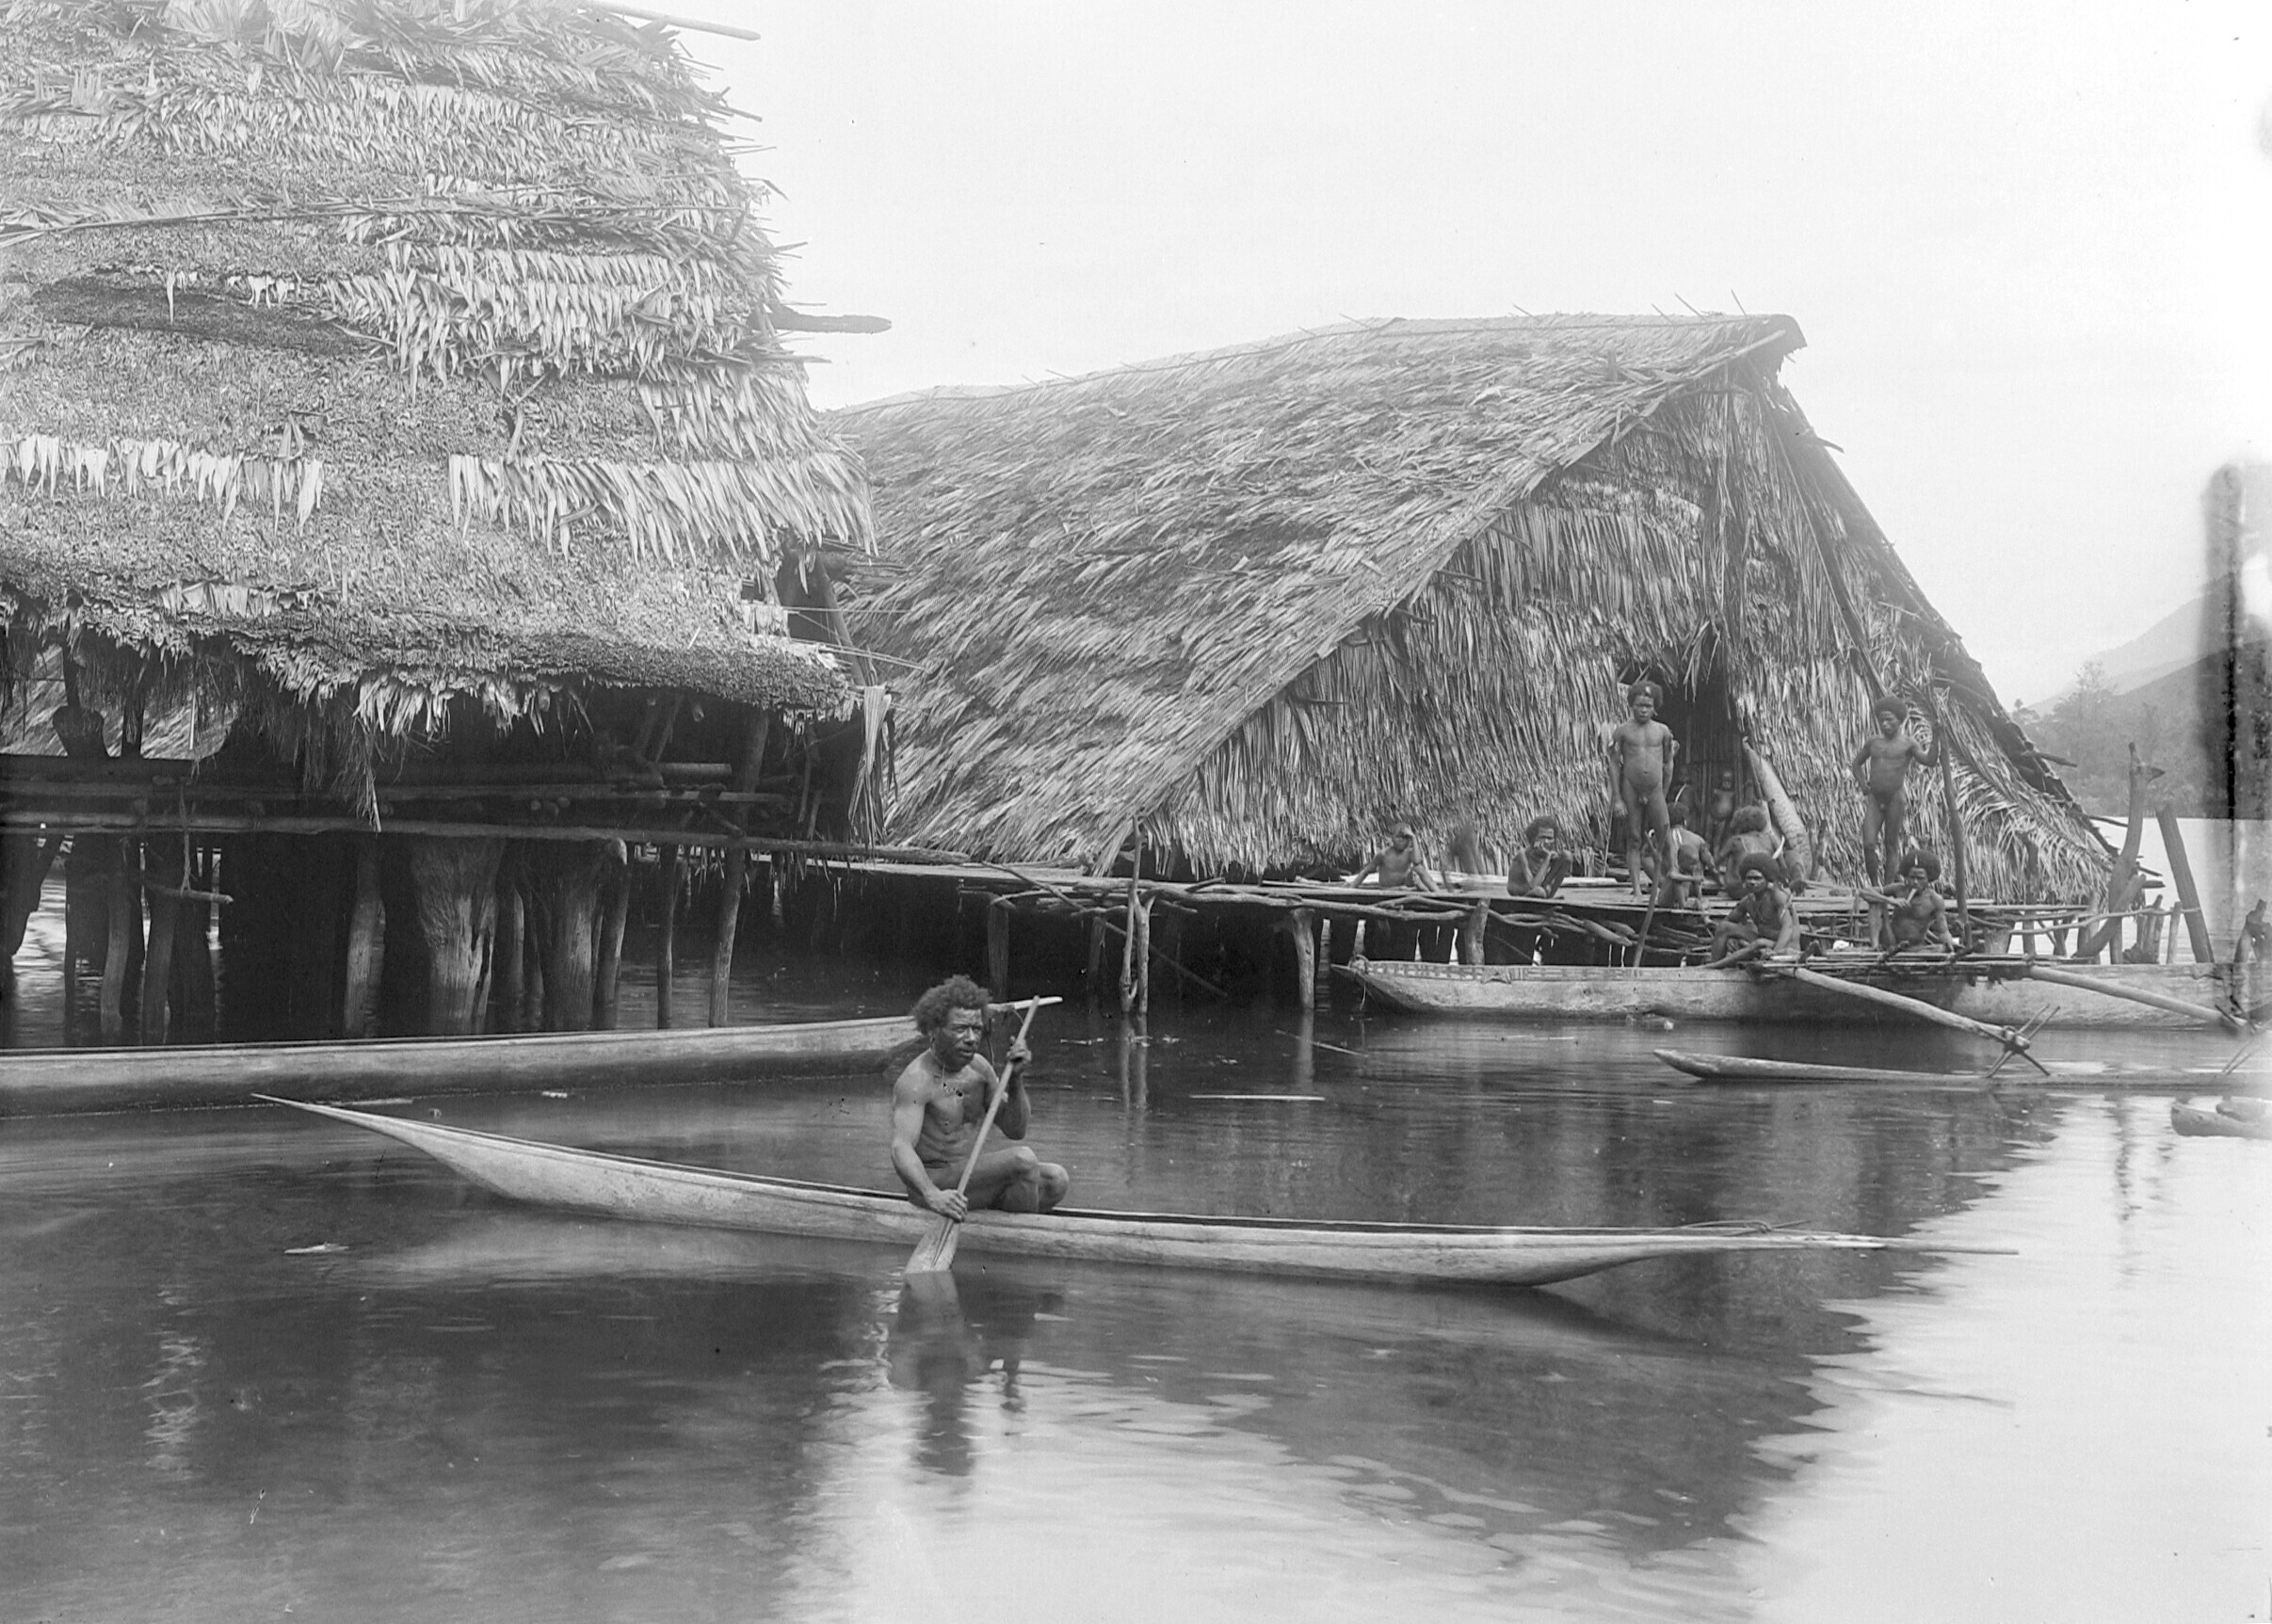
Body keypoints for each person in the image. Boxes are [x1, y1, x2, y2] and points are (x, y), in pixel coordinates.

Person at [890, 976, 1069, 1219]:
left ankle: (1001, 1225)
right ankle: (1017, 1232)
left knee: (1056, 1180)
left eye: (976, 1029)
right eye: (960, 1029)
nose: (972, 1038)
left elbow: (1016, 1130)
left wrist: (1016, 1080)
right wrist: (933, 1195)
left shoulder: (980, 1069)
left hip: (971, 1181)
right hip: (934, 1186)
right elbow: (901, 1147)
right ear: (933, 1030)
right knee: (1023, 1160)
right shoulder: (916, 1080)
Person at [1852, 696, 1936, 886]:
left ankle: (1888, 886)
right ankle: (1874, 885)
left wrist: (1937, 737)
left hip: (1895, 799)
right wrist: (1863, 785)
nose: (1885, 724)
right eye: (1882, 720)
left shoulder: (1908, 744)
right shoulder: (1873, 742)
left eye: (1889, 719)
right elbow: (1856, 764)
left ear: (1900, 720)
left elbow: (1930, 761)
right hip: (1875, 798)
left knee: (1891, 845)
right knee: (1868, 844)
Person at [1607, 682, 1678, 899]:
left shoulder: (1662, 731)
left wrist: (1663, 793)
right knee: (1634, 838)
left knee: (1665, 835)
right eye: (1639, 705)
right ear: (1631, 705)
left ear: (1655, 706)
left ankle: (1673, 875)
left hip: (1655, 788)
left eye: (1648, 706)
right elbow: (1612, 763)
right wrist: (1617, 799)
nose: (1643, 710)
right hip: (1631, 786)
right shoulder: (1622, 731)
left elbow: (1668, 764)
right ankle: (1637, 890)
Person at [1704, 852, 1800, 965]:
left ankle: (1715, 966)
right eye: (1749, 878)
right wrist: (1729, 938)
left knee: (1760, 942)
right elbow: (1727, 922)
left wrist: (1775, 954)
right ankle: (1715, 965)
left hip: (1786, 946)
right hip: (1763, 940)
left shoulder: (1777, 897)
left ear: (1767, 880)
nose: (1752, 882)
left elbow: (1788, 928)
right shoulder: (1748, 900)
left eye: (1757, 878)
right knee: (1724, 928)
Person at [1861, 849, 1955, 953]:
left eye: (1920, 878)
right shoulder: (1899, 889)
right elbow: (1865, 893)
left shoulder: (1935, 900)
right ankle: (1875, 947)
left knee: (1939, 949)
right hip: (1890, 941)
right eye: (1912, 877)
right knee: (1875, 903)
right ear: (1906, 877)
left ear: (1929, 879)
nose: (1915, 882)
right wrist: (1891, 901)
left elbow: (1943, 931)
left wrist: (1950, 945)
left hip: (1915, 947)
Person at [1656, 803, 1714, 908]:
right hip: (1669, 891)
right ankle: (1686, 906)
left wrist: (1658, 878)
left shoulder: (1658, 839)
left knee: (1703, 901)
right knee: (1678, 881)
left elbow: (1644, 857)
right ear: (1685, 820)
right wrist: (1719, 879)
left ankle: (1701, 911)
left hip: (1676, 884)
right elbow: (1711, 864)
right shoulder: (1697, 839)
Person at [1353, 821, 1438, 889]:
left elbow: (1417, 861)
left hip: (1404, 887)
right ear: (1392, 838)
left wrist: (1413, 837)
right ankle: (1419, 890)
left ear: (1409, 840)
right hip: (1388, 889)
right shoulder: (1383, 854)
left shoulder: (1409, 853)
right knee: (1417, 885)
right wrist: (1350, 889)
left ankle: (1437, 893)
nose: (1401, 840)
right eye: (1398, 837)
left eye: (1405, 837)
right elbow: (1365, 872)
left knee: (1419, 868)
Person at [1713, 804, 1779, 891]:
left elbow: (1715, 862)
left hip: (1739, 889)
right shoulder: (1771, 840)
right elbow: (1783, 866)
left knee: (1731, 856)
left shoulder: (1736, 841)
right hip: (1763, 888)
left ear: (1739, 823)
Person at [1506, 814, 1573, 898]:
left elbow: (1566, 860)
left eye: (1549, 838)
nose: (1546, 841)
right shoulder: (1523, 855)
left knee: (1567, 856)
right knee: (1539, 891)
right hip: (1521, 890)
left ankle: (1550, 897)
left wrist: (1554, 860)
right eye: (1542, 837)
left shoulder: (1546, 854)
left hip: (1536, 888)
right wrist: (1547, 859)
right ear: (1534, 838)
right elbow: (1532, 886)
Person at [1703, 768, 1740, 854]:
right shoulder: (1716, 792)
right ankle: (1706, 855)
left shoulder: (1733, 794)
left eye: (1729, 782)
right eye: (1724, 781)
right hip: (1711, 817)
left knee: (1717, 839)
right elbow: (1710, 803)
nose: (1726, 784)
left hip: (1723, 820)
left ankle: (1715, 858)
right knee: (1707, 837)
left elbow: (1735, 807)